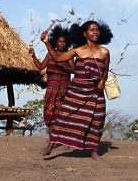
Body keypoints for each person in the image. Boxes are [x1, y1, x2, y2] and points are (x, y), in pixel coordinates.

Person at [39, 20, 113, 159]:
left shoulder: (105, 52)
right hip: (76, 92)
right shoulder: (77, 50)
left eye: (97, 29)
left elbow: (105, 72)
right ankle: (50, 146)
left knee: (96, 121)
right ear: (85, 33)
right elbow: (57, 57)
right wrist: (47, 42)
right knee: (63, 117)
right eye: (92, 30)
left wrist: (102, 81)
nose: (95, 32)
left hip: (95, 92)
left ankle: (94, 151)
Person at [29, 24, 74, 154]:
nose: (62, 43)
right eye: (60, 41)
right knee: (51, 116)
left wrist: (61, 64)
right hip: (51, 88)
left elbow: (73, 69)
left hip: (64, 88)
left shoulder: (68, 55)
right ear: (56, 42)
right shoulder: (50, 55)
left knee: (63, 115)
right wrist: (33, 56)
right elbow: (40, 67)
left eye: (64, 41)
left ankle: (63, 141)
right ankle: (52, 141)